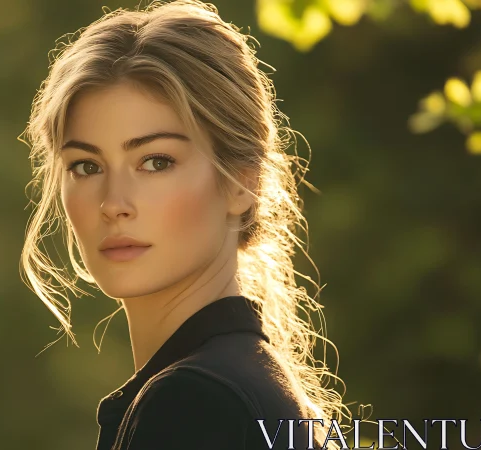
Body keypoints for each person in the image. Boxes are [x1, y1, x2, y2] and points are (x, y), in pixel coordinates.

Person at [19, 1, 352, 448]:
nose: (113, 204)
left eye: (156, 162)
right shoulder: (241, 384)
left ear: (240, 182)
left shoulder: (195, 401)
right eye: (85, 166)